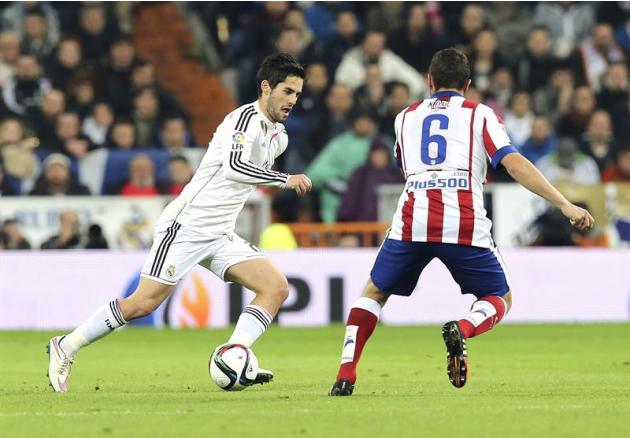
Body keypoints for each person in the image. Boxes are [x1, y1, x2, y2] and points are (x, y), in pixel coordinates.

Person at [329, 48, 594, 396]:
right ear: (467, 85)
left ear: (429, 81)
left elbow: (405, 164)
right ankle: (464, 327)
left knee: (374, 293)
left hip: (413, 223)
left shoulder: (404, 117)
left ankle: (346, 372)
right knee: (499, 296)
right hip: (463, 224)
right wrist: (563, 203)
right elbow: (512, 164)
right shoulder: (480, 114)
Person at [47, 52, 311, 393]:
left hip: (219, 233)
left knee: (275, 287)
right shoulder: (243, 121)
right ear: (266, 87)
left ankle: (235, 353)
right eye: (287, 91)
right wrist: (284, 179)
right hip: (187, 225)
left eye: (297, 94)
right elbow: (234, 167)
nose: (293, 100)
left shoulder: (279, 136)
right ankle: (66, 346)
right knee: (144, 302)